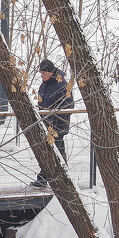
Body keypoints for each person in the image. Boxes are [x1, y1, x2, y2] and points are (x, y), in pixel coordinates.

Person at [31, 58, 73, 188]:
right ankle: (63, 179)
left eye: (44, 73)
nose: (42, 75)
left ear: (51, 72)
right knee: (53, 152)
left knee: (55, 152)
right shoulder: (44, 85)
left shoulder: (62, 84)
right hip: (46, 123)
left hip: (57, 124)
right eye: (41, 73)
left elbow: (69, 104)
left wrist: (54, 116)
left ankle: (47, 179)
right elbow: (41, 101)